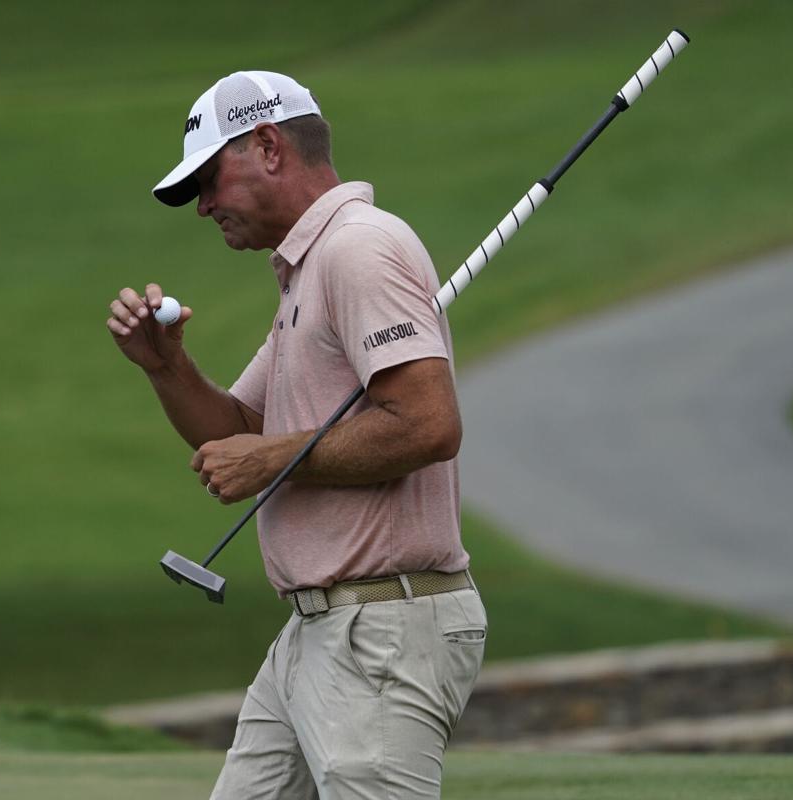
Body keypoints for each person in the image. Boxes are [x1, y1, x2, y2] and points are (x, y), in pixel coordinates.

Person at [107, 70, 486, 800]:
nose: (204, 206)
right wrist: (167, 368)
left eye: (209, 181)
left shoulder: (360, 249)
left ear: (269, 146)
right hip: (321, 630)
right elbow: (242, 430)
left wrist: (272, 457)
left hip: (383, 626)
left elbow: (429, 424)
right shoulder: (306, 272)